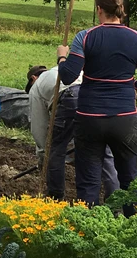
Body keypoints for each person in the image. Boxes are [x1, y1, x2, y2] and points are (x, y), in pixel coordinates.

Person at [57, 0, 137, 214]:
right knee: (130, 178)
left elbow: (68, 76)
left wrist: (62, 56)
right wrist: (129, 84)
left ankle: (90, 229)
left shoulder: (85, 37)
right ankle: (134, 228)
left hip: (90, 118)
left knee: (89, 181)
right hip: (124, 119)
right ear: (120, 11)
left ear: (99, 9)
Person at [25, 65, 119, 201]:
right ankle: (115, 200)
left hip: (71, 96)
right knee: (103, 149)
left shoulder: (36, 87)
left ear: (33, 78)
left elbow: (39, 125)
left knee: (55, 150)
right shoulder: (60, 69)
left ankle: (55, 197)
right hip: (97, 97)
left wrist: (43, 155)